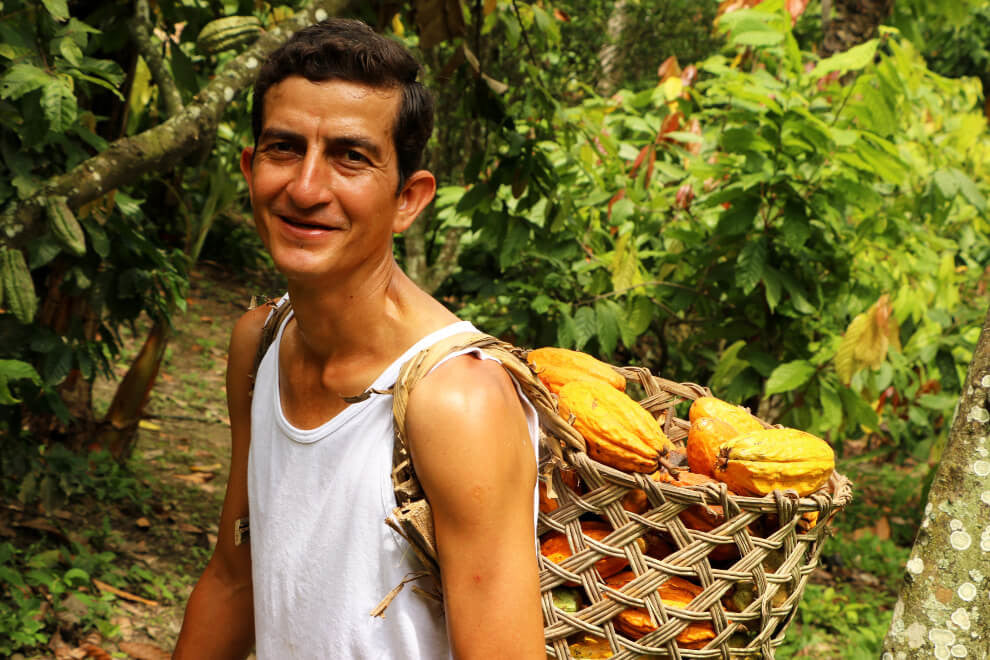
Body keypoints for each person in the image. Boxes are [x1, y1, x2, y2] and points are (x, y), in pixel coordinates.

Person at [173, 18, 545, 659]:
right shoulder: (260, 343)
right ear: (250, 167)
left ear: (409, 198)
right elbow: (237, 580)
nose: (306, 188)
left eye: (351, 156)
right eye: (284, 148)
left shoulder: (458, 400)